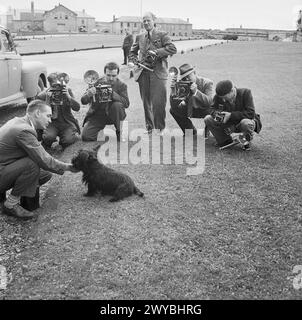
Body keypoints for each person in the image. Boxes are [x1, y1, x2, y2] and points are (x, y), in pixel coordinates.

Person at [0, 100, 77, 219]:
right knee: (32, 165)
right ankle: (10, 204)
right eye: (48, 116)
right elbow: (43, 159)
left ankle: (26, 203)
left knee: (44, 174)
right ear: (37, 113)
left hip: (5, 166)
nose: (50, 120)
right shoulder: (24, 130)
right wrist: (69, 167)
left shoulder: (18, 121)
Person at [129, 12, 177, 134]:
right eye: (144, 21)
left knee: (159, 102)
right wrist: (134, 62)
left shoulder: (162, 34)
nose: (146, 23)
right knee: (146, 103)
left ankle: (160, 129)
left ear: (153, 21)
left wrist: (157, 52)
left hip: (158, 73)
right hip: (143, 73)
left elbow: (172, 49)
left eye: (148, 20)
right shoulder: (140, 36)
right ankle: (150, 128)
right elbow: (132, 52)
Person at [204, 80, 262, 150]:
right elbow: (211, 109)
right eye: (222, 98)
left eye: (225, 97)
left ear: (232, 91)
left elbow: (250, 113)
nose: (223, 100)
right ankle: (225, 141)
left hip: (242, 122)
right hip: (227, 123)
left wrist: (231, 115)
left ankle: (246, 142)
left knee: (246, 123)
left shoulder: (246, 93)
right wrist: (218, 115)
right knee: (208, 119)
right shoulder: (218, 96)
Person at [81, 62, 129, 141]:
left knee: (117, 105)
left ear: (117, 74)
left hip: (114, 114)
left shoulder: (122, 85)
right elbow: (83, 101)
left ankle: (120, 131)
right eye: (108, 75)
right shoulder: (96, 83)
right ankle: (100, 131)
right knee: (86, 137)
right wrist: (88, 95)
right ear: (104, 73)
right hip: (98, 115)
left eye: (114, 76)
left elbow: (126, 103)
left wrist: (113, 94)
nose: (110, 78)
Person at [37, 72, 81, 150]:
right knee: (48, 137)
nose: (57, 88)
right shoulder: (46, 93)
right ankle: (49, 140)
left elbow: (77, 108)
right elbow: (41, 110)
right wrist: (47, 98)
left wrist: (69, 97)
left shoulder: (67, 90)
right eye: (54, 86)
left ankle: (68, 136)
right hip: (52, 122)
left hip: (66, 122)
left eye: (58, 85)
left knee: (68, 141)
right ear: (50, 85)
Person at [169, 63, 214, 135]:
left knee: (214, 111)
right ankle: (190, 131)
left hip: (205, 109)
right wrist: (173, 92)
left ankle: (208, 129)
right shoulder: (182, 85)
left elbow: (209, 102)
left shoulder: (207, 83)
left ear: (194, 73)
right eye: (184, 78)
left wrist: (196, 92)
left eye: (188, 76)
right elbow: (174, 106)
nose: (187, 79)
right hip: (190, 109)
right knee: (173, 110)